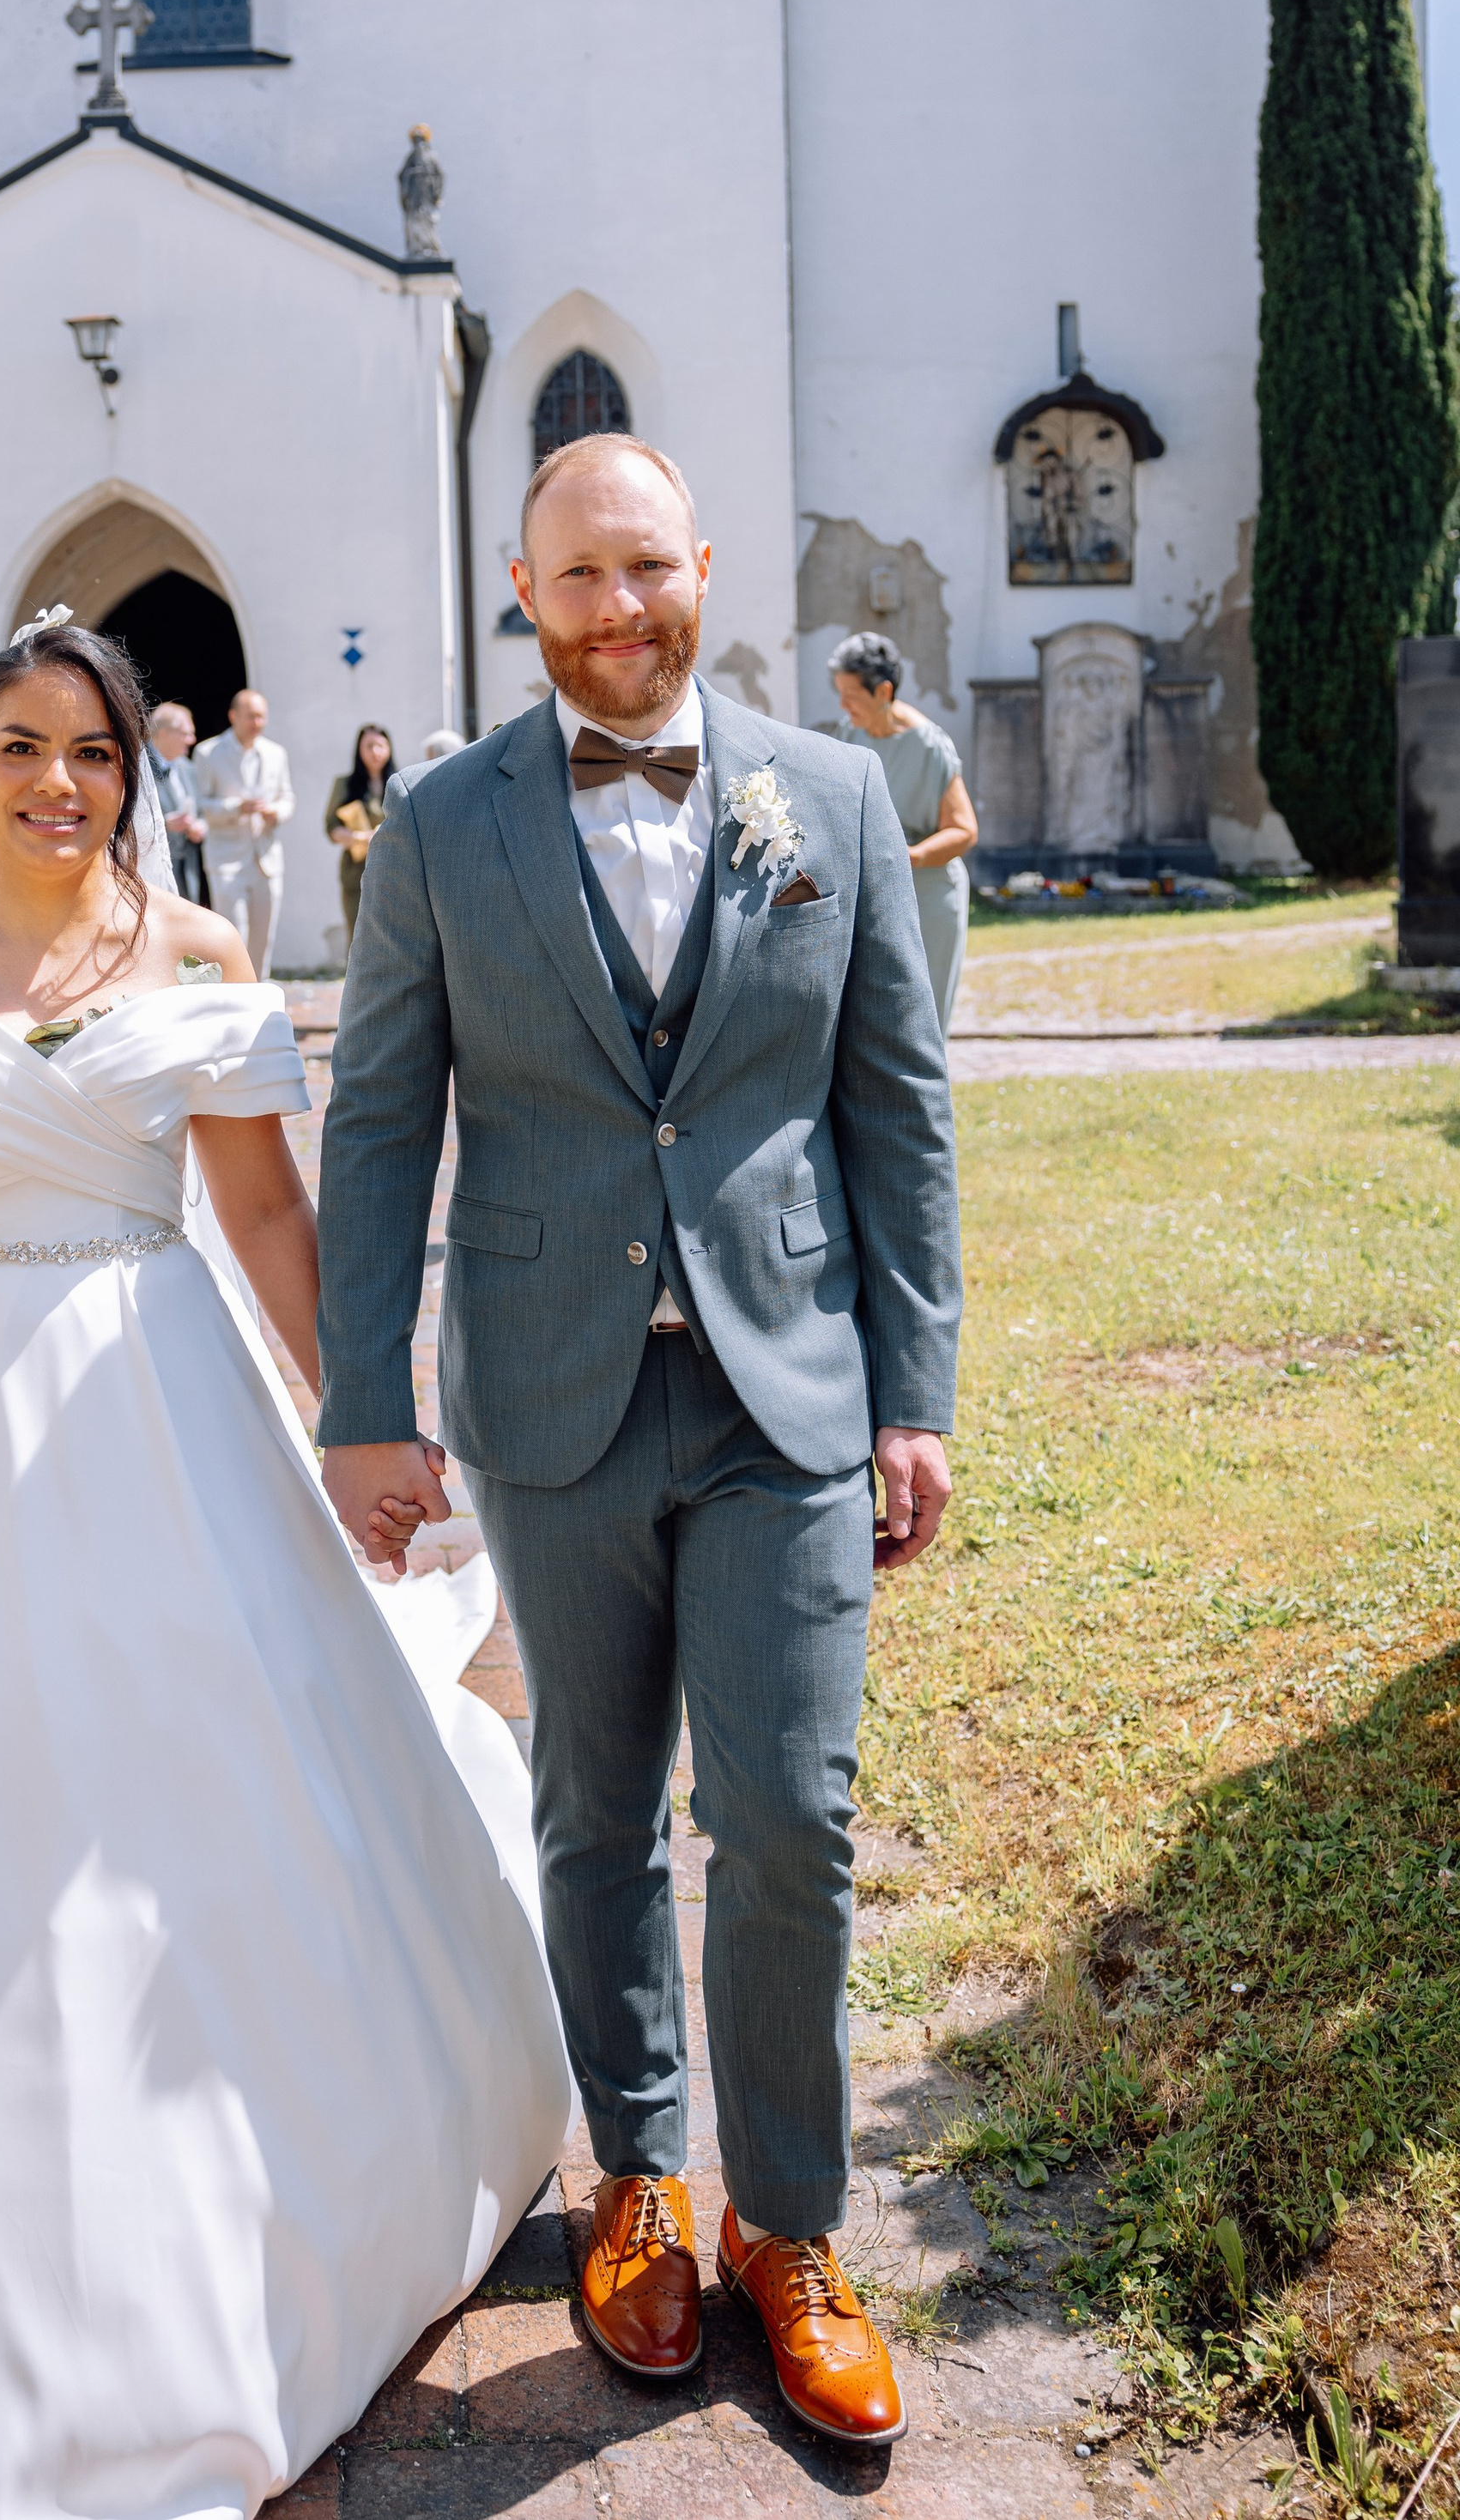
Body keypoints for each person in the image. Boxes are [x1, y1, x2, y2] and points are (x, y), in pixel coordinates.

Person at [0, 616, 566, 2520]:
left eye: (90, 753)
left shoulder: (201, 955)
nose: (54, 782)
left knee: (200, 1767)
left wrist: (359, 1418)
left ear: (134, 774)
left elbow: (262, 1213)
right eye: (16, 745)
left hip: (156, 1378)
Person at [315, 433, 960, 2452]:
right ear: (523, 593)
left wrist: (917, 1387)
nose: (615, 612)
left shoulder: (833, 798)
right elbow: (375, 1122)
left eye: (645, 570)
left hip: (787, 1385)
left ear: (702, 564)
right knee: (594, 1814)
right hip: (546, 1379)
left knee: (787, 1813)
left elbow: (895, 1110)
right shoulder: (434, 824)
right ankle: (639, 2181)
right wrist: (362, 1404)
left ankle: (787, 2225)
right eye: (572, 580)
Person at [823, 632, 978, 1032]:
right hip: (870, 895)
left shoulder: (930, 746)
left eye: (852, 696)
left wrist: (907, 857)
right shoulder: (848, 734)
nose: (843, 706)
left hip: (929, 897)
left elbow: (963, 830)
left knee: (925, 1023)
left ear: (884, 691)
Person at [194, 684, 294, 972]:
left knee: (264, 939)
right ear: (233, 716)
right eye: (251, 716)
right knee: (232, 936)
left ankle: (260, 997)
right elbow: (200, 803)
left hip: (267, 858)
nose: (257, 723)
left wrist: (275, 812)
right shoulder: (208, 752)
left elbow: (288, 798)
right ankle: (234, 999)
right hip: (226, 858)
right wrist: (236, 806)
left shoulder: (276, 753)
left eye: (262, 716)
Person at [324, 721, 395, 950]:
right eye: (369, 746)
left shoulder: (398, 783)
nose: (375, 752)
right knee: (358, 934)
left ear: (389, 748)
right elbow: (331, 826)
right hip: (356, 869)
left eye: (380, 745)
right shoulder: (345, 784)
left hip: (392, 869)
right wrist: (357, 837)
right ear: (359, 750)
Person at [146, 695, 209, 906]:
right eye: (186, 734)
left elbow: (200, 810)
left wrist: (201, 825)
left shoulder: (188, 768)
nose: (192, 740)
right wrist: (165, 824)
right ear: (163, 733)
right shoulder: (139, 768)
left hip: (188, 865)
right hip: (154, 871)